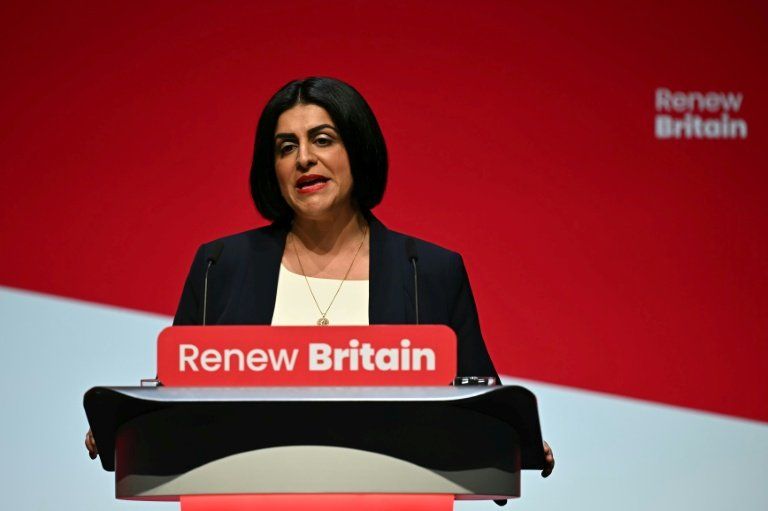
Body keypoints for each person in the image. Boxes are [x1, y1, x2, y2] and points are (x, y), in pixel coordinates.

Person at [86, 76, 554, 477]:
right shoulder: (221, 265)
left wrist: (513, 441)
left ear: (358, 149)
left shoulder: (428, 271)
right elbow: (178, 394)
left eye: (323, 139)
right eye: (286, 147)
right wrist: (130, 426)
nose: (304, 159)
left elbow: (480, 400)